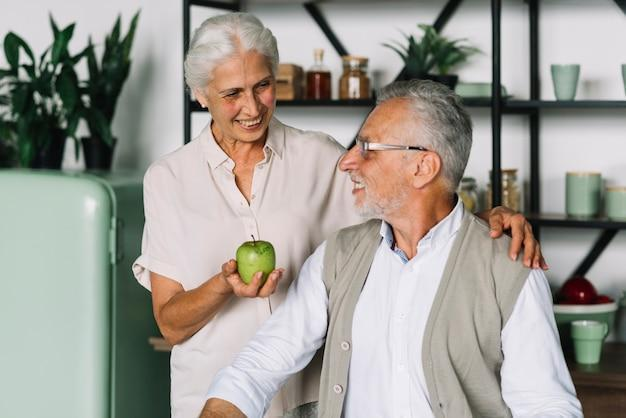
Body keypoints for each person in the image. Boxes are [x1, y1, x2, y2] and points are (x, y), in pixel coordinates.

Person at [132, 13, 545, 418]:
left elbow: (409, 205)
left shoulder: (321, 156)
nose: (252, 107)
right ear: (201, 94)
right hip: (214, 398)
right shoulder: (168, 179)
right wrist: (223, 284)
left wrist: (483, 219)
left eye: (263, 86)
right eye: (232, 94)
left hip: (312, 399)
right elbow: (170, 324)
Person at [201, 80, 582, 418]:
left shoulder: (510, 267)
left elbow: (545, 405)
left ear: (423, 167)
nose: (347, 160)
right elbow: (262, 362)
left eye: (367, 147)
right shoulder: (338, 256)